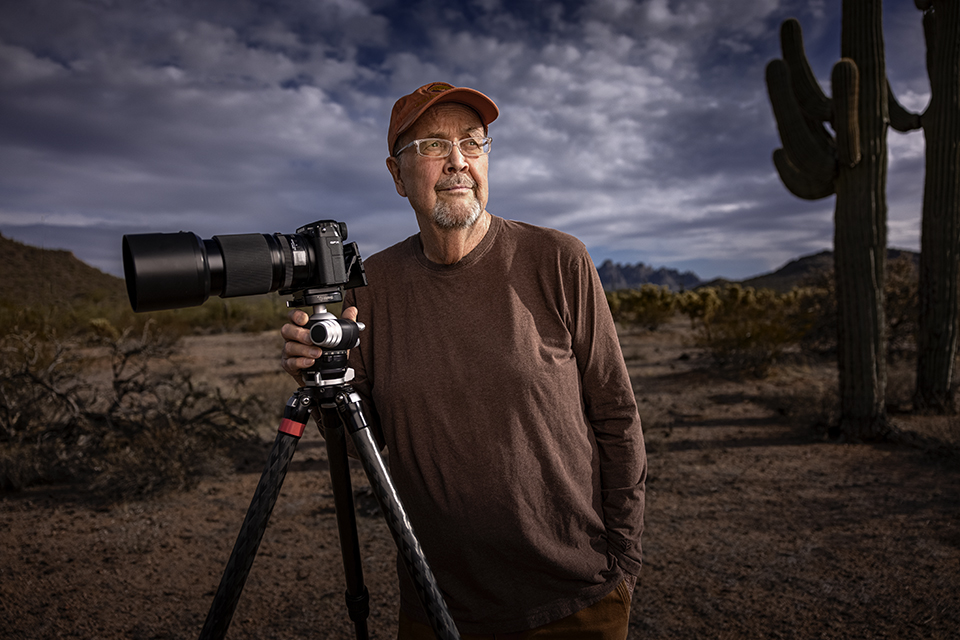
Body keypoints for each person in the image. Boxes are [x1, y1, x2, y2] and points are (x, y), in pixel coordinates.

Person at [281, 81, 646, 639]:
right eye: (432, 146)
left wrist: (622, 558)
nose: (457, 161)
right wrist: (319, 376)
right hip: (435, 603)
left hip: (574, 600)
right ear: (396, 175)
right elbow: (360, 434)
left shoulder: (557, 261)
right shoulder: (371, 288)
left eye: (473, 143)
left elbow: (617, 416)